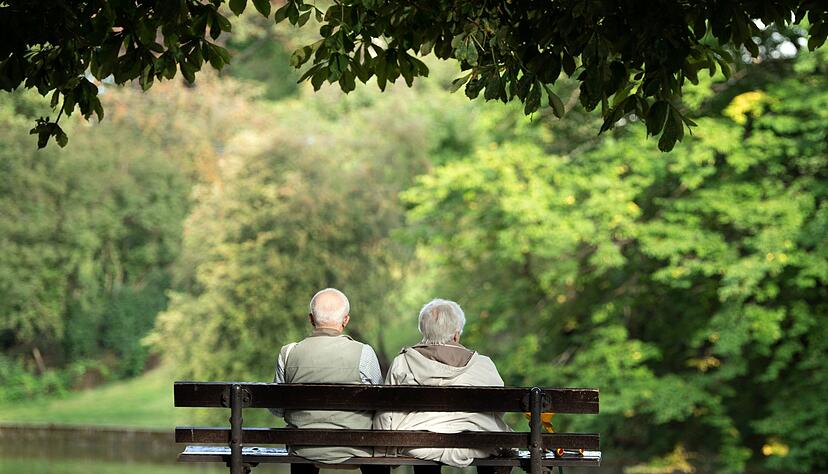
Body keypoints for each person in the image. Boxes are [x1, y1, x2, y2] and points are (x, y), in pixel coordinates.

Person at [374, 298, 512, 474]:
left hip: (419, 444)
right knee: (489, 439)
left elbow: (387, 412)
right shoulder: (484, 365)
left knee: (422, 444)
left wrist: (383, 450)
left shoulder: (403, 362)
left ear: (424, 332)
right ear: (456, 334)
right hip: (475, 444)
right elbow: (499, 409)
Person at [270, 288, 387, 474]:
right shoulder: (364, 353)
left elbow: (277, 409)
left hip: (303, 448)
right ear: (345, 320)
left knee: (302, 445)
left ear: (311, 319)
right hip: (357, 447)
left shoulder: (288, 353)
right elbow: (379, 404)